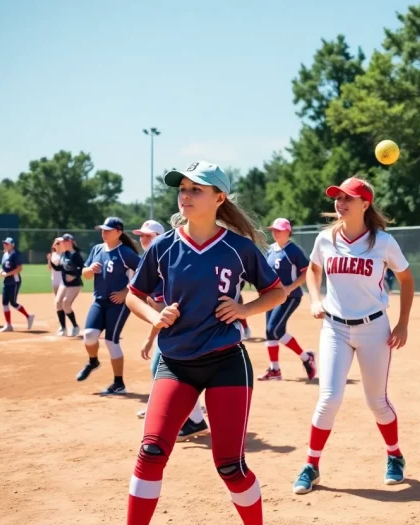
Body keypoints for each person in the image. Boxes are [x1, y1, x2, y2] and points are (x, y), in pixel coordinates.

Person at [124, 161, 286, 525]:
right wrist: (155, 317)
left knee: (230, 466)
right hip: (176, 363)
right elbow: (134, 294)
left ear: (219, 198)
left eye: (196, 189)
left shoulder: (238, 247)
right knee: (150, 452)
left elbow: (275, 292)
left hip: (225, 361)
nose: (185, 195)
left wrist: (245, 307)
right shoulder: (163, 246)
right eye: (182, 189)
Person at [293, 176, 415, 495]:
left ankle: (394, 455)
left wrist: (402, 324)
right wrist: (315, 298)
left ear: (365, 204)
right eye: (338, 197)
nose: (341, 203)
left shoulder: (383, 242)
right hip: (334, 327)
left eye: (349, 198)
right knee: (329, 398)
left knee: (377, 401)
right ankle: (311, 464)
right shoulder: (324, 239)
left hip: (374, 328)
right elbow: (313, 270)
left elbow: (406, 279)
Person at [133, 218, 209, 442]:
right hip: (173, 328)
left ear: (159, 238)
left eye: (148, 235)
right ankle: (187, 415)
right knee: (162, 370)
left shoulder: (162, 264)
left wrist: (149, 339)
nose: (142, 238)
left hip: (179, 329)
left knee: (165, 369)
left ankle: (193, 419)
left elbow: (163, 311)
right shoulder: (151, 261)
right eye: (141, 235)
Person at [76, 217, 141, 395]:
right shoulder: (97, 249)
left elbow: (144, 273)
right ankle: (93, 361)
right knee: (89, 336)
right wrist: (89, 270)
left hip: (118, 304)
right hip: (99, 301)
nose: (104, 233)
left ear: (118, 232)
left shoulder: (125, 252)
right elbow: (85, 274)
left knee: (111, 341)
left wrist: (126, 292)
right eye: (102, 230)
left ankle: (118, 384)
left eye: (108, 230)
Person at [257, 217, 316, 382]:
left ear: (287, 232)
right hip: (271, 296)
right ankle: (275, 370)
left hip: (290, 297)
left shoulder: (293, 251)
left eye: (279, 230)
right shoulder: (270, 249)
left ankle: (306, 358)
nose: (275, 233)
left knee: (275, 330)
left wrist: (290, 288)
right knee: (270, 332)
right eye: (273, 230)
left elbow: (306, 272)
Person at [0, 237, 35, 332]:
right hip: (6, 281)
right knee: (4, 303)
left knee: (13, 303)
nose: (5, 245)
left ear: (12, 245)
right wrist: (0, 271)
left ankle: (28, 316)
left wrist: (7, 274)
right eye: (4, 243)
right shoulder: (5, 254)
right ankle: (8, 325)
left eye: (7, 244)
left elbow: (19, 268)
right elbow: (4, 267)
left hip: (14, 281)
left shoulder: (15, 255)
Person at [50, 233, 84, 336]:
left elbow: (83, 269)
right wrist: (51, 261)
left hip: (74, 284)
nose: (63, 243)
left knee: (65, 303)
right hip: (64, 283)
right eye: (62, 241)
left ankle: (75, 326)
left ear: (71, 242)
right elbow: (59, 268)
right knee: (58, 302)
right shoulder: (65, 254)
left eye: (65, 241)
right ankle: (63, 328)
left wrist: (75, 276)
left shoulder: (76, 255)